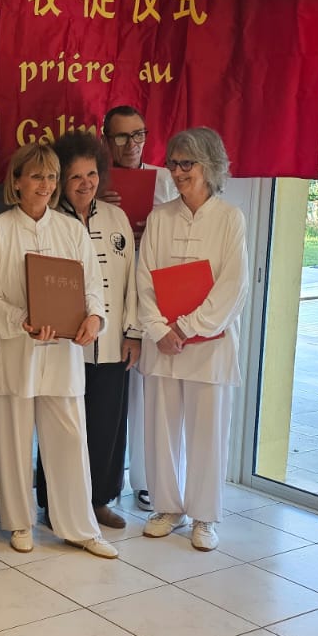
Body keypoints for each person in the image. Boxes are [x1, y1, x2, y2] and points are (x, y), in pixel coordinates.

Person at [0, 142, 118, 559]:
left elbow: (93, 287)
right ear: (16, 181)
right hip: (15, 352)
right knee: (14, 441)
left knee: (70, 441)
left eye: (52, 177)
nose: (46, 185)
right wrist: (21, 320)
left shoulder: (71, 231)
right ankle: (20, 522)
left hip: (62, 355)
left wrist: (95, 319)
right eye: (37, 176)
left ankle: (79, 527)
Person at [137, 127, 251, 552]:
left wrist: (187, 327)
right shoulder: (160, 218)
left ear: (211, 166)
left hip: (209, 346)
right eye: (174, 163)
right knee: (161, 428)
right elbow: (144, 279)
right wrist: (159, 330)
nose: (179, 171)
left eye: (188, 163)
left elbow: (233, 286)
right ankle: (167, 507)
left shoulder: (230, 218)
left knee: (208, 432)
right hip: (163, 343)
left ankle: (205, 516)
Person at [35, 132, 139, 531]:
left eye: (91, 174)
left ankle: (99, 501)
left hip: (111, 344)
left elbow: (132, 281)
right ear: (61, 179)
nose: (85, 183)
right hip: (64, 346)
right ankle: (55, 504)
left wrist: (133, 333)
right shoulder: (49, 222)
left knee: (106, 424)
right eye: (75, 176)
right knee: (62, 428)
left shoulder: (116, 218)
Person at [98, 105, 180, 515]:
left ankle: (146, 481)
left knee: (148, 391)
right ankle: (103, 485)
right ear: (106, 140)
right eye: (121, 136)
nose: (131, 144)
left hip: (150, 293)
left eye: (139, 135)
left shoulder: (164, 180)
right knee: (110, 394)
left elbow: (181, 235)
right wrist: (99, 205)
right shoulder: (94, 181)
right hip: (105, 294)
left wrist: (153, 232)